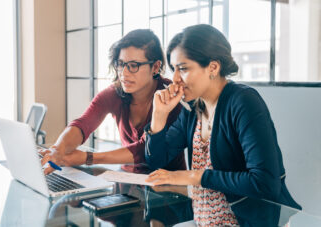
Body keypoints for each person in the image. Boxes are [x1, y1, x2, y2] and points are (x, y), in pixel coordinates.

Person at [144, 24, 301, 226]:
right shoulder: (193, 108)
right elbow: (156, 161)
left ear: (213, 67)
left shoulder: (243, 102)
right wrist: (159, 116)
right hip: (203, 222)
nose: (174, 79)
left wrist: (195, 176)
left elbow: (264, 182)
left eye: (183, 69)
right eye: (174, 69)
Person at [41, 29, 186, 175]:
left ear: (155, 67)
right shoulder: (115, 93)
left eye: (134, 65)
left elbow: (144, 150)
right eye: (121, 64)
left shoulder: (171, 96)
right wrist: (58, 149)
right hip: (128, 180)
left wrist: (88, 158)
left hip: (167, 187)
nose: (124, 73)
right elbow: (83, 124)